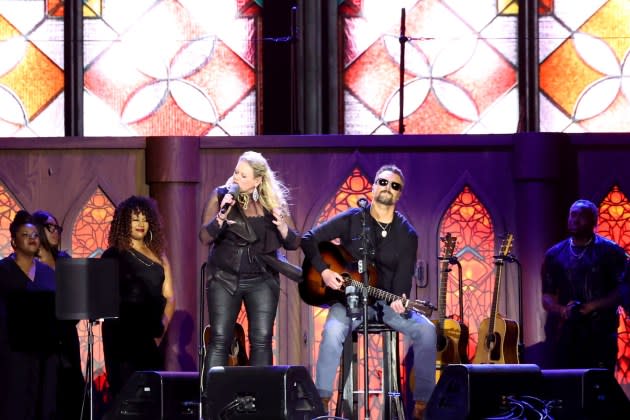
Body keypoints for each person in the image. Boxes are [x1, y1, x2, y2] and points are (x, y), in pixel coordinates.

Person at [301, 164, 436, 419]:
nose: (388, 188)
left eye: (394, 186)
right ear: (373, 186)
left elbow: (403, 281)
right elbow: (309, 238)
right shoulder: (354, 218)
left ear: (399, 194)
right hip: (349, 301)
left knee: (427, 330)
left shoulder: (408, 234)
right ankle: (321, 403)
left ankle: (422, 407)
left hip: (386, 305)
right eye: (383, 182)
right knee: (332, 331)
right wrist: (326, 271)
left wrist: (400, 299)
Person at [199, 151, 300, 373]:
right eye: (236, 172)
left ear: (258, 180)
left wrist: (282, 225)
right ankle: (212, 401)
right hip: (225, 279)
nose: (236, 178)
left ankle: (259, 400)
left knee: (262, 339)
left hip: (262, 280)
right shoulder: (220, 196)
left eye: (243, 176)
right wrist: (222, 215)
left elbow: (293, 243)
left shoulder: (272, 203)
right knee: (219, 338)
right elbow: (205, 237)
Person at [101, 196, 175, 400]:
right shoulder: (113, 255)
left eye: (144, 218)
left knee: (150, 396)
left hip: (150, 333)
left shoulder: (160, 255)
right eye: (135, 219)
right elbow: (104, 298)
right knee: (125, 395)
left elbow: (169, 296)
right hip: (121, 336)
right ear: (124, 223)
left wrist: (161, 329)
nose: (141, 224)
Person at [541, 199, 627, 371]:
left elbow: (623, 290)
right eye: (573, 215)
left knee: (599, 386)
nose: (576, 220)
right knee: (567, 385)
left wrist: (592, 306)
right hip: (565, 334)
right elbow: (547, 296)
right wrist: (562, 310)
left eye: (582, 216)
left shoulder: (611, 252)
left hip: (600, 332)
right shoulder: (554, 254)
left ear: (594, 221)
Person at [0, 210, 58, 419]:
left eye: (34, 235)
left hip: (44, 353)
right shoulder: (3, 271)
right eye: (25, 235)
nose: (32, 239)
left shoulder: (47, 273)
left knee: (42, 405)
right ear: (14, 241)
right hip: (12, 352)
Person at [31, 210, 86, 420]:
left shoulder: (64, 261)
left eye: (57, 228)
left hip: (67, 338)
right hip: (42, 341)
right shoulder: (30, 264)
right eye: (50, 227)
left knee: (71, 394)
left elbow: (76, 303)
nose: (56, 232)